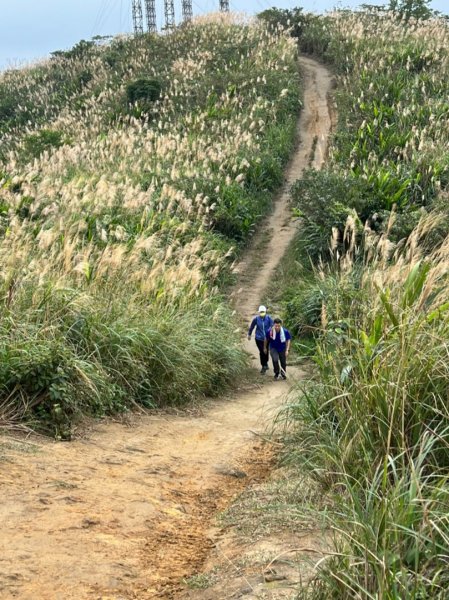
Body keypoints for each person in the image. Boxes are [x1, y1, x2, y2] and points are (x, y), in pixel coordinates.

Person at [247, 305, 274, 374]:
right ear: (259, 312)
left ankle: (266, 362)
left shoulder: (269, 318)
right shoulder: (256, 319)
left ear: (265, 312)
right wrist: (249, 334)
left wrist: (272, 333)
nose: (262, 313)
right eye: (261, 312)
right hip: (259, 338)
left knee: (266, 351)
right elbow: (252, 327)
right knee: (262, 352)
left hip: (267, 339)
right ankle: (263, 366)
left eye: (263, 312)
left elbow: (272, 326)